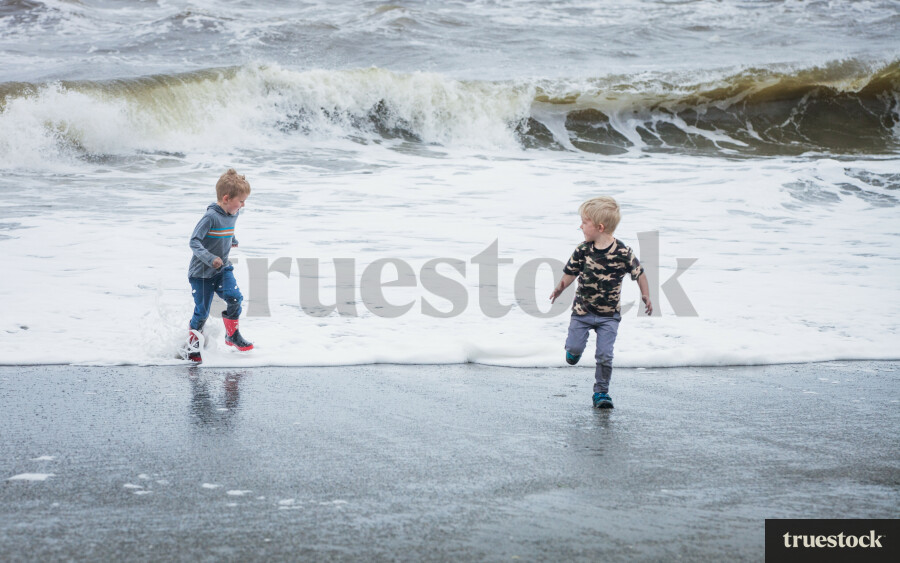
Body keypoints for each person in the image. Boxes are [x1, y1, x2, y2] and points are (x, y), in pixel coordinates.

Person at [549, 196, 652, 409]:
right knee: (574, 348)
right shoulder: (583, 250)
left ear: (600, 227)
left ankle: (601, 393)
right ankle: (573, 351)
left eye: (584, 222)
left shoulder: (623, 252)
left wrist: (646, 295)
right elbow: (571, 273)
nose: (581, 226)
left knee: (605, 355)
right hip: (582, 312)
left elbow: (639, 273)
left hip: (609, 317)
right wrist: (559, 288)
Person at [185, 169, 254, 362]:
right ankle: (193, 346)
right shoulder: (210, 217)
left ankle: (231, 335)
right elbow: (194, 242)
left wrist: (232, 238)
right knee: (202, 312)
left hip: (222, 269)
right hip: (201, 274)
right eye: (240, 201)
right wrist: (210, 258)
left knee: (235, 298)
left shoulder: (233, 213)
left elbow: (227, 228)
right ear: (226, 198)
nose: (243, 205)